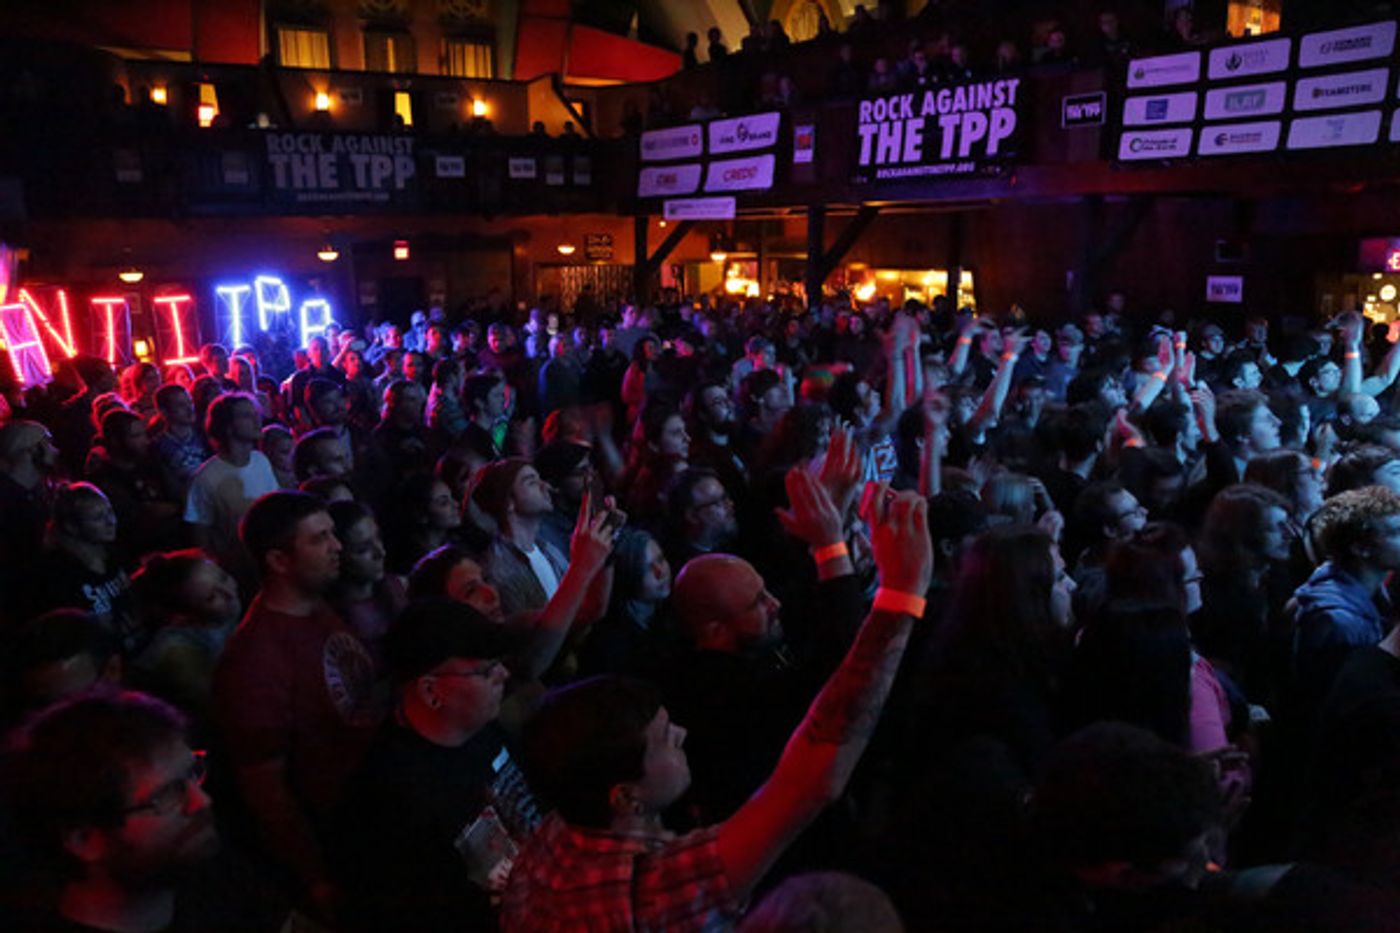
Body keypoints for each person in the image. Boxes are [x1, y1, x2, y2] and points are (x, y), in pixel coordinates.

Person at [501, 482, 932, 930]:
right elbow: (811, 780)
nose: (682, 735)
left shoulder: (557, 836)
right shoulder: (650, 891)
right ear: (626, 797)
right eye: (667, 740)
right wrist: (902, 593)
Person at [213, 491, 382, 922]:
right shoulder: (255, 659)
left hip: (380, 811)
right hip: (347, 841)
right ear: (279, 560)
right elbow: (265, 789)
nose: (337, 545)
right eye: (320, 538)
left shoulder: (318, 605)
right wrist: (316, 878)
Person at [336, 599, 539, 932]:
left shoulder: (481, 728)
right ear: (431, 691)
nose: (503, 674)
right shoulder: (388, 799)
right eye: (486, 669)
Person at [1, 691, 221, 933]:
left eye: (192, 774)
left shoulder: (221, 886)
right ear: (84, 840)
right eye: (167, 795)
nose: (202, 801)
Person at [1290, 486, 1400, 713]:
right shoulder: (1338, 621)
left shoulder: (1371, 591)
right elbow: (1348, 705)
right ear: (1361, 548)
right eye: (1397, 532)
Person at [184, 394, 280, 586]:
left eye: (256, 413)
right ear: (227, 427)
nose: (256, 420)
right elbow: (201, 535)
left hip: (270, 563)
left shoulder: (261, 461)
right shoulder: (206, 477)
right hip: (236, 571)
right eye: (246, 415)